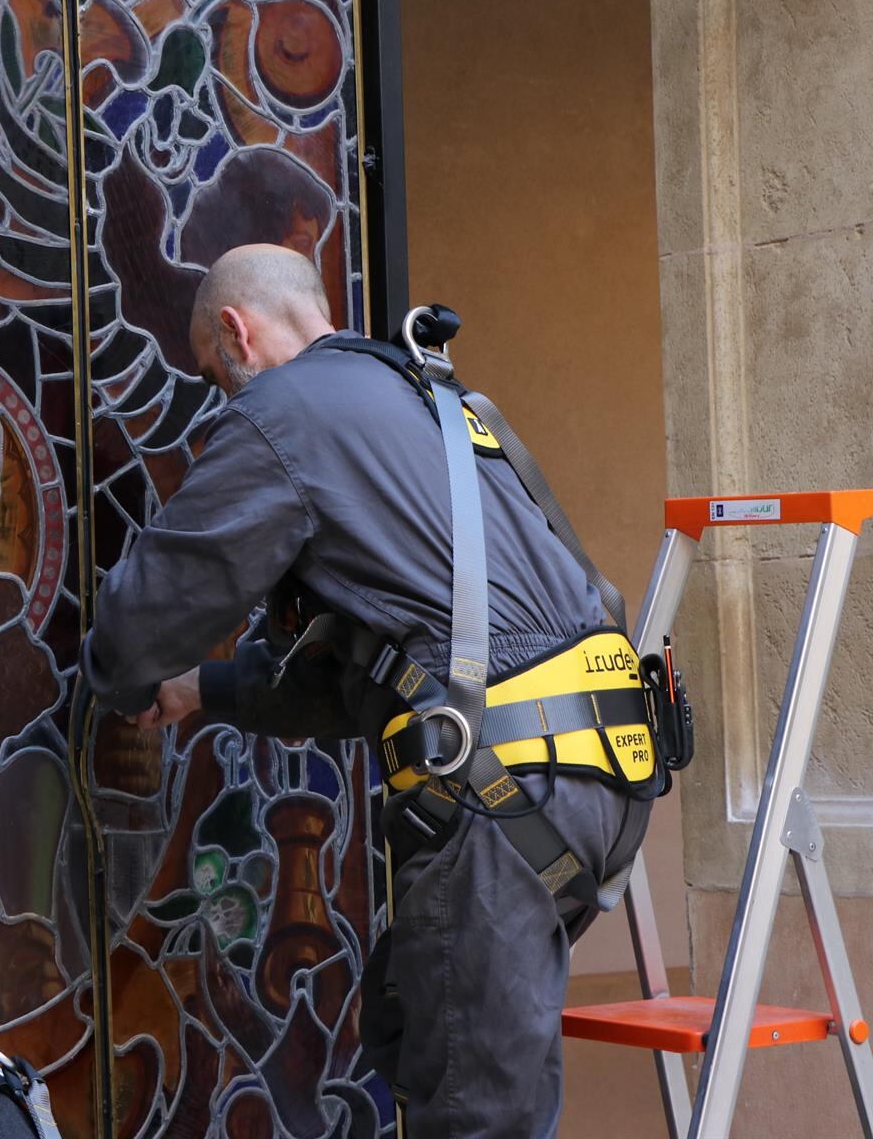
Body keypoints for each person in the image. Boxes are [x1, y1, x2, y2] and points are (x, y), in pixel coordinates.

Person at [84, 244, 656, 1138]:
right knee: (417, 1031)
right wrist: (207, 691)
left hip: (502, 786)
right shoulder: (422, 398)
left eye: (212, 374)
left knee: (473, 1108)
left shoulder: (283, 415)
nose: (222, 395)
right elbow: (386, 678)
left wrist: (117, 678)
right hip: (592, 775)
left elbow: (140, 626)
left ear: (236, 332)